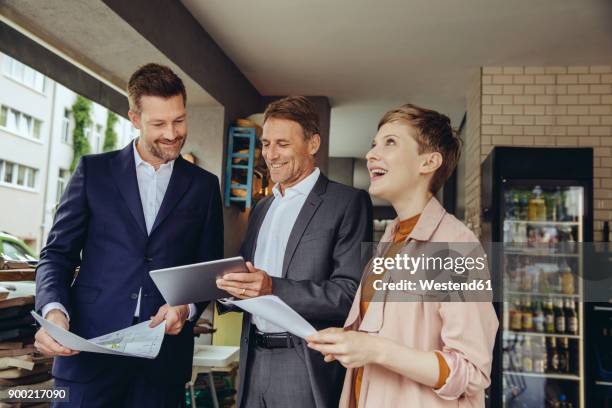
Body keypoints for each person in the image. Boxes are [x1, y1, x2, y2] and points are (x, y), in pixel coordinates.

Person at [34, 63, 223, 407]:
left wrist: (188, 307)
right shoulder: (93, 171)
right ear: (134, 119)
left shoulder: (204, 186)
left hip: (162, 365)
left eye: (179, 120)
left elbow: (208, 270)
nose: (172, 132)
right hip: (86, 353)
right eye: (159, 123)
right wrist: (53, 312)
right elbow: (57, 255)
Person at [307, 104, 499, 407]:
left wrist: (374, 349)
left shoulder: (455, 244)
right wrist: (348, 340)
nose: (371, 154)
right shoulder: (389, 240)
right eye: (373, 144)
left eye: (390, 142)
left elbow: (471, 372)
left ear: (429, 162)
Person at [216, 96, 372, 408]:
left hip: (305, 365)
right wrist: (226, 289)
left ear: (313, 143)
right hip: (251, 361)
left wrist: (273, 287)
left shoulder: (347, 202)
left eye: (282, 144)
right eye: (266, 143)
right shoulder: (261, 208)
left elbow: (349, 294)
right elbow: (251, 279)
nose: (270, 155)